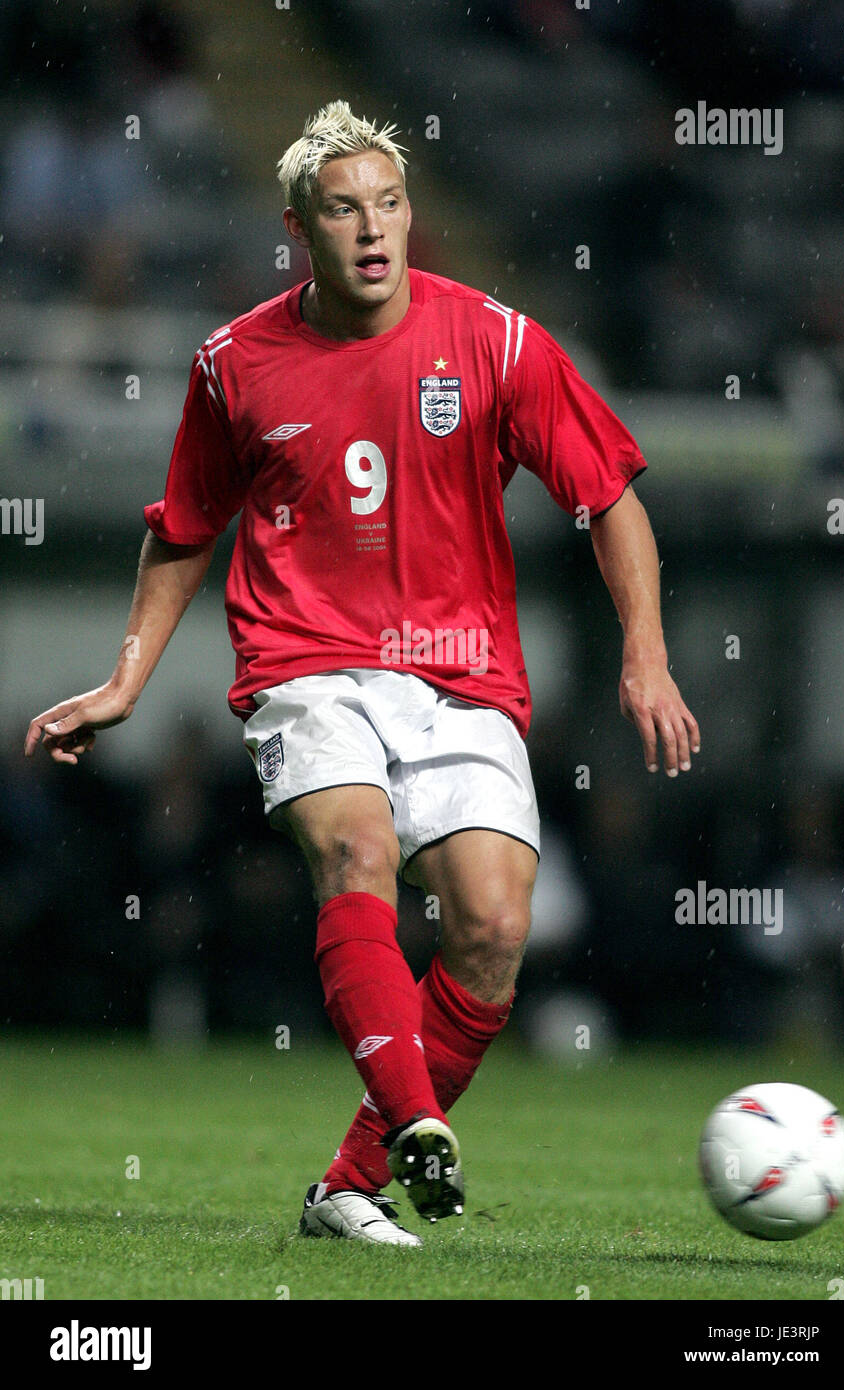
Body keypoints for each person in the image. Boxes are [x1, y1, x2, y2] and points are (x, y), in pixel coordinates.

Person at [24, 100, 700, 1247]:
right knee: (356, 851)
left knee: (490, 928)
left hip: (461, 669)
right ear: (299, 227)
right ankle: (417, 1119)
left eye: (389, 204)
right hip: (307, 662)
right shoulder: (232, 363)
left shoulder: (493, 341)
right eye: (343, 209)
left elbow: (609, 496)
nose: (373, 229)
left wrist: (645, 649)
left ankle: (348, 1182)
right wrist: (127, 677)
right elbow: (186, 527)